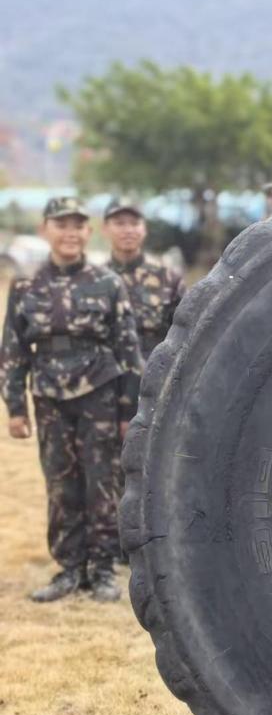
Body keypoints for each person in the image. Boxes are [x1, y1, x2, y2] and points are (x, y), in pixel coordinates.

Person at [2, 197, 143, 602]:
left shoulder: (108, 283)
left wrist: (127, 411)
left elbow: (128, 350)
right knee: (60, 484)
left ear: (88, 232)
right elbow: (13, 350)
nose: (70, 233)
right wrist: (15, 407)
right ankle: (68, 568)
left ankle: (101, 570)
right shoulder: (26, 286)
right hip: (49, 398)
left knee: (102, 483)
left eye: (77, 225)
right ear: (44, 230)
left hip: (99, 393)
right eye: (61, 225)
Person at [102, 197, 184, 361]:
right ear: (104, 229)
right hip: (108, 369)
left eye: (134, 223)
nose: (128, 230)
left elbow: (185, 331)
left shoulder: (168, 278)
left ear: (144, 229)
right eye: (119, 223)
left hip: (154, 367)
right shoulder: (94, 279)